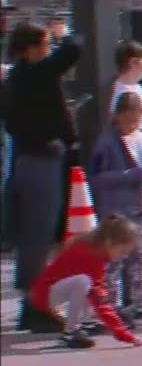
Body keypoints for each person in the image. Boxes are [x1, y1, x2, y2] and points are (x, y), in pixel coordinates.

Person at [3, 21, 82, 333]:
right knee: (38, 234)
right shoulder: (35, 73)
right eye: (45, 44)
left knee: (32, 236)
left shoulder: (15, 79)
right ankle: (36, 306)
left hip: (26, 161)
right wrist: (64, 33)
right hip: (40, 161)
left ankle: (30, 303)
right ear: (32, 48)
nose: (49, 50)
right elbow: (72, 51)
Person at [86, 91, 142, 326]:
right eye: (129, 120)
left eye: (137, 120)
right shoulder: (106, 142)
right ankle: (111, 305)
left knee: (139, 257)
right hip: (118, 210)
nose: (132, 125)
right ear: (119, 116)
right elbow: (96, 177)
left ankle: (139, 302)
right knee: (114, 261)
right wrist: (130, 175)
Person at [28, 214, 142, 349]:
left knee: (88, 285)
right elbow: (100, 301)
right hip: (43, 295)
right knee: (84, 282)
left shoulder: (93, 251)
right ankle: (70, 331)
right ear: (109, 242)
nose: (123, 256)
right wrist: (125, 335)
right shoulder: (89, 256)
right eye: (123, 251)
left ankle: (83, 322)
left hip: (48, 291)